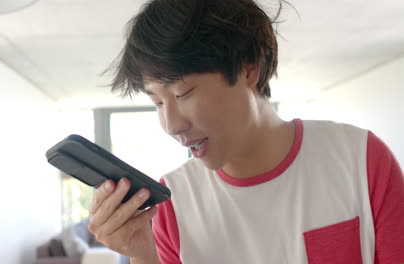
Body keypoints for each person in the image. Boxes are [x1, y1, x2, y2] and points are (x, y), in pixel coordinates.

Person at [87, 0, 404, 263]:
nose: (171, 125)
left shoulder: (360, 159)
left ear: (248, 68)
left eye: (183, 93)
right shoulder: (174, 204)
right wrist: (143, 255)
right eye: (157, 102)